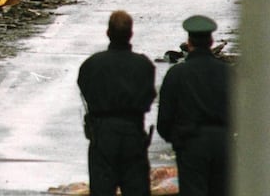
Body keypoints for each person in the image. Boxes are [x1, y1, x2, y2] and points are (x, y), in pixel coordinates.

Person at [77, 10, 157, 196]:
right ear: (130, 34)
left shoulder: (92, 64)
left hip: (102, 134)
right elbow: (149, 96)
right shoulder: (143, 65)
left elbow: (85, 90)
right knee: (135, 187)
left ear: (108, 33)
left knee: (102, 188)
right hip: (133, 132)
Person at [157, 15, 230, 196]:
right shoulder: (228, 73)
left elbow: (165, 117)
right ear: (211, 41)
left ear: (189, 42)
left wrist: (176, 140)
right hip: (223, 142)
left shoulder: (177, 74)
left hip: (191, 142)